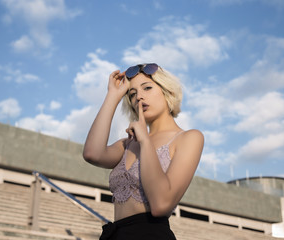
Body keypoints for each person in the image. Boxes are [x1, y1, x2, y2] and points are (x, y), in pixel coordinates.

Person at [83, 63, 204, 240]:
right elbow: (92, 153)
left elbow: (161, 205)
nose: (139, 96)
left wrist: (145, 141)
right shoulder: (128, 143)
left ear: (168, 92)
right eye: (132, 94)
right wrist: (113, 96)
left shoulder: (189, 138)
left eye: (147, 88)